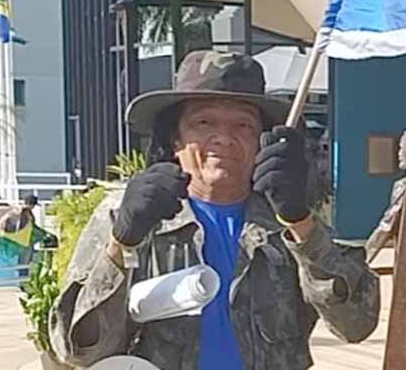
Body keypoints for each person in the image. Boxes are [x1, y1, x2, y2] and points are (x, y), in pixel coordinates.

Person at [50, 51, 380, 370]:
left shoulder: (288, 224)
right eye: (203, 122)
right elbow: (77, 350)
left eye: (243, 125)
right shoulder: (126, 216)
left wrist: (301, 222)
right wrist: (121, 244)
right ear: (175, 140)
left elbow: (356, 324)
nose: (223, 138)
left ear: (262, 141)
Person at [365, 128, 406, 263]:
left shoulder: (404, 186)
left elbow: (387, 226)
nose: (399, 154)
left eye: (402, 148)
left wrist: (364, 257)